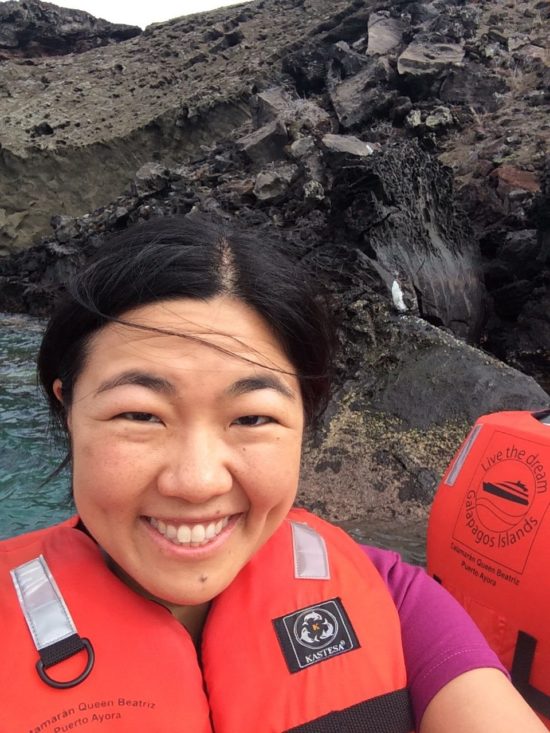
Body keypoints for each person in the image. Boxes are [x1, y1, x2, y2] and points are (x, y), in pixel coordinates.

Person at [0, 214, 545, 733]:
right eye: (140, 415)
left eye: (252, 418)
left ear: (306, 420)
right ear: (67, 410)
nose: (197, 482)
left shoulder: (398, 601)